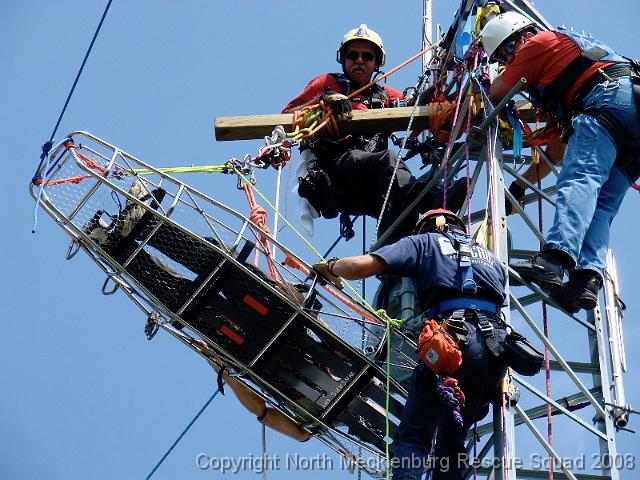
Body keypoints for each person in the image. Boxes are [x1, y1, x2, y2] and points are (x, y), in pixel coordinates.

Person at [313, 209, 510, 479]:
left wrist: (330, 267)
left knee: (414, 436)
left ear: (428, 227)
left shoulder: (424, 242)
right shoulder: (493, 260)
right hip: (494, 357)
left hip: (451, 345)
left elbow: (361, 266)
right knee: (452, 446)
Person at [480, 11, 640, 312]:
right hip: (629, 114)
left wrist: (484, 81)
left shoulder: (535, 45)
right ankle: (587, 280)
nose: (508, 61)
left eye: (506, 54)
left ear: (518, 37)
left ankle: (555, 260)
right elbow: (556, 151)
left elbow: (496, 92)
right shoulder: (565, 65)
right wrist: (519, 184)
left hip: (608, 102)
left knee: (581, 179)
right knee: (603, 206)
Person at [283, 24, 467, 242]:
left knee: (402, 217)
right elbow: (287, 116)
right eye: (353, 55)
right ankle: (430, 201)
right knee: (388, 160)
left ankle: (391, 268)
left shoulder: (384, 96)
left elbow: (416, 118)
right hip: (338, 172)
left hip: (372, 186)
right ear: (343, 60)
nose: (359, 60)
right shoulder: (328, 83)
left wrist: (448, 99)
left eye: (367, 57)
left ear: (376, 63)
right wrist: (325, 98)